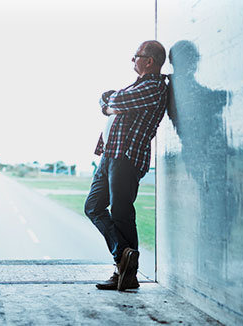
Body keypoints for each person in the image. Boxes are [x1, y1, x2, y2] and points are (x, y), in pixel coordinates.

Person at [84, 40, 169, 291]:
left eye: (136, 56)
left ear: (149, 61)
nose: (133, 60)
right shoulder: (140, 86)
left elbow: (115, 99)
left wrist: (111, 103)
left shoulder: (154, 87)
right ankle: (124, 256)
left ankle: (125, 272)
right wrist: (109, 103)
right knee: (93, 207)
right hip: (110, 156)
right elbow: (106, 99)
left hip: (127, 158)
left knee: (121, 213)